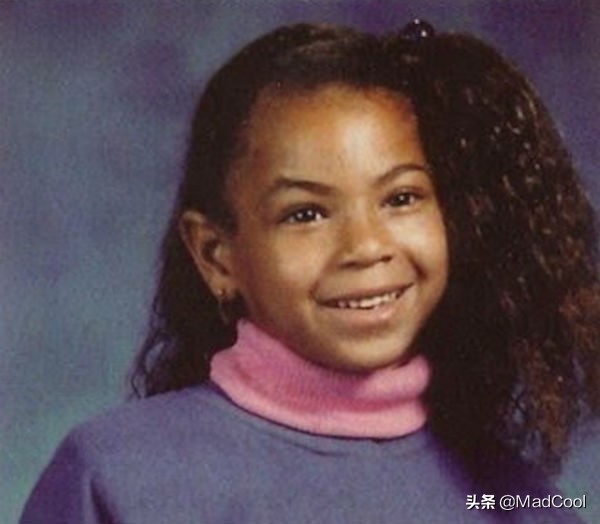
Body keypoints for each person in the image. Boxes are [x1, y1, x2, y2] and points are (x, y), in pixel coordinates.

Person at [20, 20, 600, 524]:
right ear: (217, 256)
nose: (365, 247)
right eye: (306, 213)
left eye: (401, 198)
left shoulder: (514, 496)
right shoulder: (119, 475)